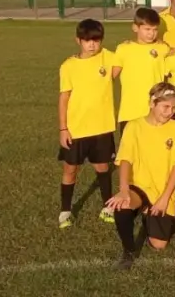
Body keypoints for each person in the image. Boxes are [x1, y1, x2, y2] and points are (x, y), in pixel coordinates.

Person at [108, 82, 175, 269]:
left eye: (173, 107)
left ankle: (148, 212)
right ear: (152, 103)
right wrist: (124, 190)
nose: (170, 112)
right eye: (165, 107)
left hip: (163, 190)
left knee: (159, 245)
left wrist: (165, 198)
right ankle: (129, 251)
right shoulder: (134, 126)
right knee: (122, 206)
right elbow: (125, 160)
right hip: (140, 186)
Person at [58, 19, 118, 229]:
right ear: (78, 40)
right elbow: (64, 98)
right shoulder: (68, 66)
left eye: (96, 40)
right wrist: (63, 128)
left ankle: (108, 206)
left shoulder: (108, 57)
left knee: (103, 167)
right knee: (70, 169)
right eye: (87, 40)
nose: (92, 45)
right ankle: (65, 211)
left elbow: (129, 58)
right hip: (76, 129)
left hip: (102, 127)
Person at [113, 7, 168, 134]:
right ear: (135, 28)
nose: (151, 34)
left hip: (155, 112)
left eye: (155, 29)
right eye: (147, 29)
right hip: (130, 112)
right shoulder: (123, 49)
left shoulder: (163, 49)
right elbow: (110, 77)